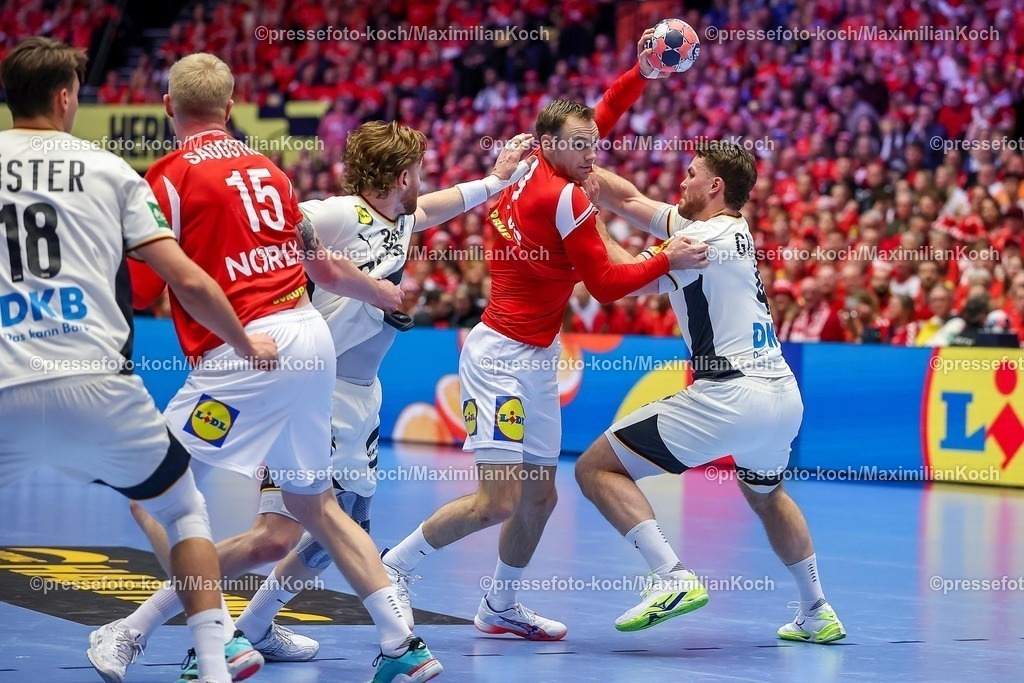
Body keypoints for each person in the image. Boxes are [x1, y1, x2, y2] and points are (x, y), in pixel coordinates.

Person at [85, 53, 440, 683]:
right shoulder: (271, 171)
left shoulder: (164, 177)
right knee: (317, 509)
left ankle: (216, 636)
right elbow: (323, 268)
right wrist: (382, 293)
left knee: (151, 491)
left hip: (248, 348)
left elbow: (142, 292)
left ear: (169, 108)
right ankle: (401, 644)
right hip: (311, 342)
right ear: (230, 107)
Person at [379, 29, 710, 641]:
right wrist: (670, 257)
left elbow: (597, 116)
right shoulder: (566, 200)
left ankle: (499, 606)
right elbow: (608, 285)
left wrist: (638, 74)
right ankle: (390, 570)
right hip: (501, 356)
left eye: (594, 145)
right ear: (554, 146)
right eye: (583, 148)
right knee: (497, 500)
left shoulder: (532, 162)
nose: (595, 156)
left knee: (540, 498)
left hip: (537, 357)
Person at [189, 121, 533, 661]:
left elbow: (439, 206)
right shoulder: (340, 213)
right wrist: (364, 286)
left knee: (344, 530)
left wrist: (495, 180)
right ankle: (184, 621)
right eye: (418, 170)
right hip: (314, 396)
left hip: (361, 397)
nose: (423, 180)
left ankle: (253, 625)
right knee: (274, 535)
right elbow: (283, 223)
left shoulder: (401, 219)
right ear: (402, 174)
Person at [0, 37, 278, 683]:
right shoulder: (112, 172)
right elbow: (189, 279)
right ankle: (214, 662)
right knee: (184, 509)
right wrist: (243, 343)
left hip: (5, 380)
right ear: (66, 96)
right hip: (98, 385)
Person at [575, 142, 846, 643]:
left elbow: (618, 278)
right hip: (782, 396)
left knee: (595, 468)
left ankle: (670, 578)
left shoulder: (699, 242)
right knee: (766, 494)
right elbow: (632, 201)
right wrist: (580, 170)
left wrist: (579, 211)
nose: (681, 182)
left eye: (691, 173)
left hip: (729, 394)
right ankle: (817, 610)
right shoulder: (729, 230)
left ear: (714, 186)